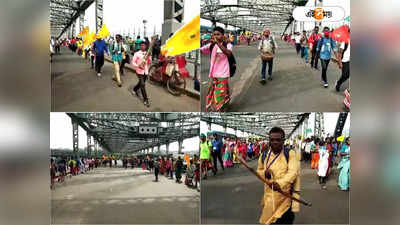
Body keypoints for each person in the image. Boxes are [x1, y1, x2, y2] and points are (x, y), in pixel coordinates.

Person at [257, 127, 300, 224]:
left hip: (285, 200)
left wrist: (279, 184)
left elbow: (293, 173)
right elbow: (258, 171)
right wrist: (264, 173)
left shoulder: (290, 153)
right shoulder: (264, 154)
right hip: (269, 199)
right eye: (272, 140)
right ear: (269, 141)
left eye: (278, 140)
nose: (275, 142)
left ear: (283, 141)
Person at [200, 26, 233, 112]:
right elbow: (201, 50)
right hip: (213, 74)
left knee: (219, 94)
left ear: (223, 35)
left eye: (218, 34)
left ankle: (220, 110)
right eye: (214, 34)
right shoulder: (211, 45)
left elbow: (228, 53)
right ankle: (225, 103)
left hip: (223, 74)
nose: (216, 36)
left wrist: (217, 43)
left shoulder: (228, 45)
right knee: (211, 93)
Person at [131, 41, 152, 107]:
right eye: (141, 45)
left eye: (144, 45)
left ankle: (134, 89)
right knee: (142, 84)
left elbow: (149, 62)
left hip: (145, 71)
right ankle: (146, 100)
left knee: (140, 83)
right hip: (139, 71)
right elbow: (133, 62)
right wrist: (138, 65)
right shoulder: (137, 53)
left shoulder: (148, 53)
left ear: (146, 46)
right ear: (140, 46)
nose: (143, 46)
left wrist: (148, 57)